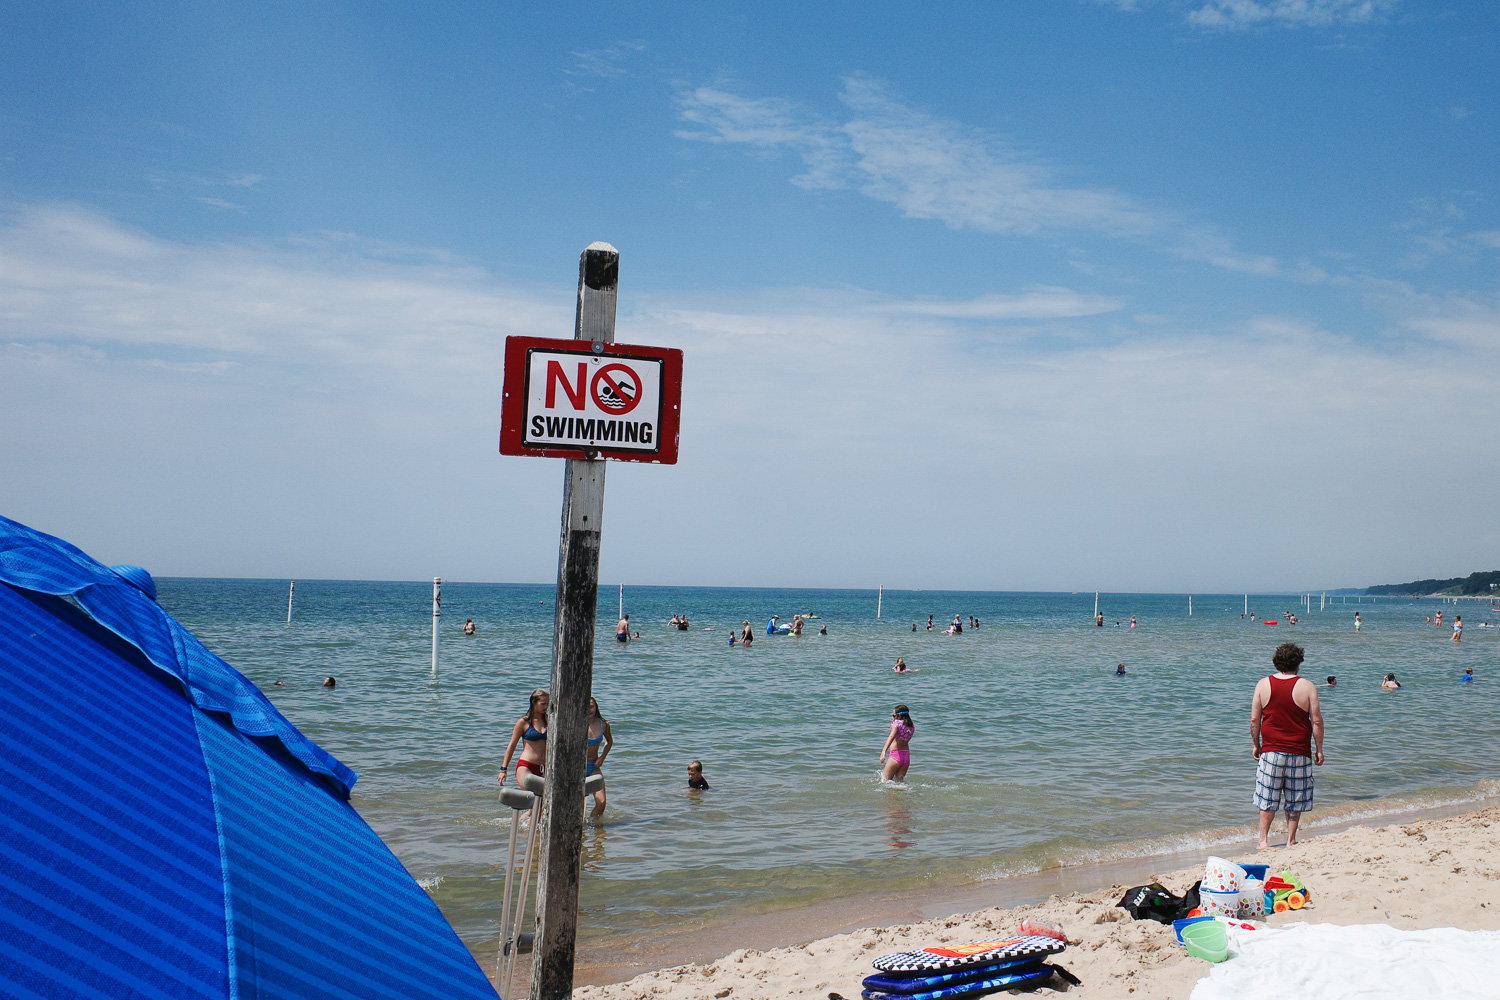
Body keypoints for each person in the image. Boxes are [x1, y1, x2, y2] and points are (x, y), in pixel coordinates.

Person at [1250, 643, 1324, 850]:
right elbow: (1316, 721)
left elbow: (1255, 719)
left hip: (1271, 750)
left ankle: (1263, 840)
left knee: (1267, 796)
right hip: (1299, 750)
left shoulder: (1263, 685)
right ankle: (1290, 840)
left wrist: (1256, 745)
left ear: (1277, 661)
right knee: (1295, 797)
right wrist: (1319, 749)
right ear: (1298, 663)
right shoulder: (1307, 686)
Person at [500, 688, 549, 785]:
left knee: (544, 798)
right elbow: (512, 745)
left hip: (544, 768)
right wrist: (503, 769)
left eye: (547, 704)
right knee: (531, 792)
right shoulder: (523, 722)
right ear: (533, 702)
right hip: (526, 766)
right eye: (543, 704)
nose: (546, 707)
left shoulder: (549, 720)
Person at [586, 697, 612, 817]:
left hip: (593, 766)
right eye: (586, 706)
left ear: (596, 708)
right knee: (577, 804)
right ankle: (581, 831)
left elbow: (609, 742)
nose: (589, 709)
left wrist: (602, 757)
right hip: (576, 768)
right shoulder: (576, 723)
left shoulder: (603, 724)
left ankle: (596, 829)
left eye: (591, 706)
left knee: (601, 802)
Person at [881, 705, 915, 782]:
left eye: (893, 715)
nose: (892, 717)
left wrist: (883, 751)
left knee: (885, 781)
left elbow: (891, 736)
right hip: (906, 757)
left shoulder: (897, 723)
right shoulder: (911, 726)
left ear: (899, 715)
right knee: (899, 782)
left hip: (895, 755)